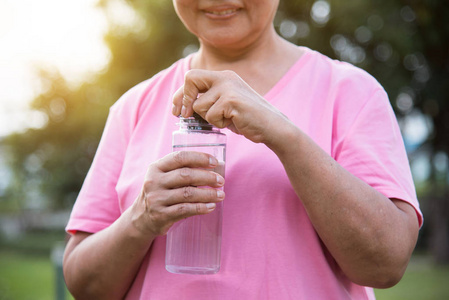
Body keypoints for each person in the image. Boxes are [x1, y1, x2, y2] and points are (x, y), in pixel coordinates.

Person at [63, 1, 423, 299]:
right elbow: (84, 285)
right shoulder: (133, 106)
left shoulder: (352, 92)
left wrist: (283, 134)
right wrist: (141, 217)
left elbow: (386, 264)